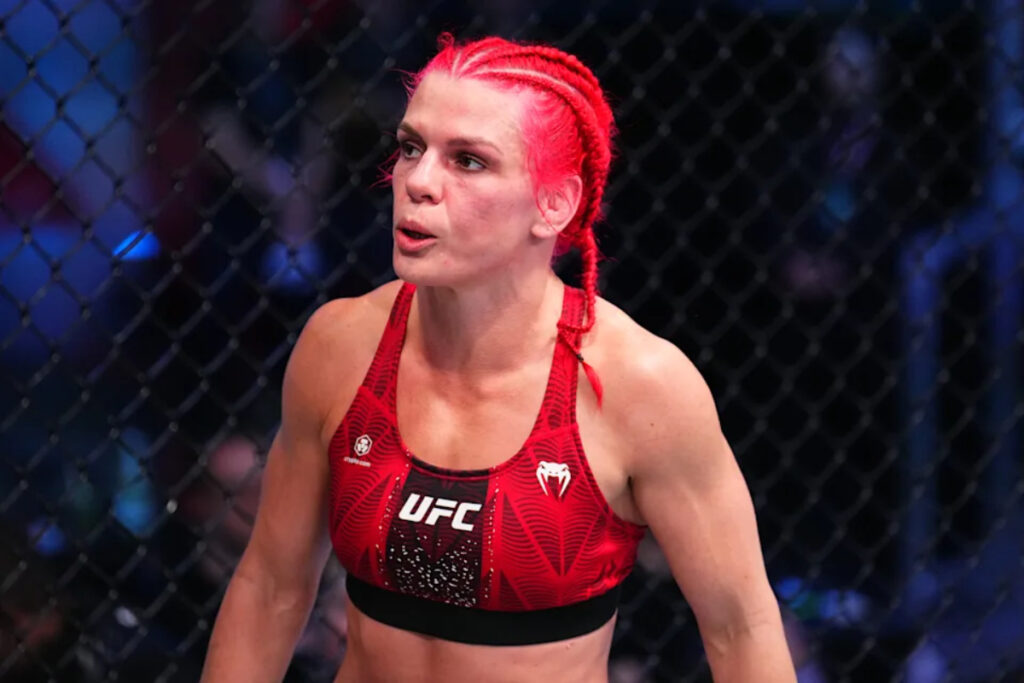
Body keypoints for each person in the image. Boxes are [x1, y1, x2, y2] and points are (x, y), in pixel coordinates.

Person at [200, 34, 795, 682]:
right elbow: (271, 586)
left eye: (468, 161)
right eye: (411, 147)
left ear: (554, 203)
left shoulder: (638, 383)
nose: (418, 182)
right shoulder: (339, 345)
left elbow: (741, 627)